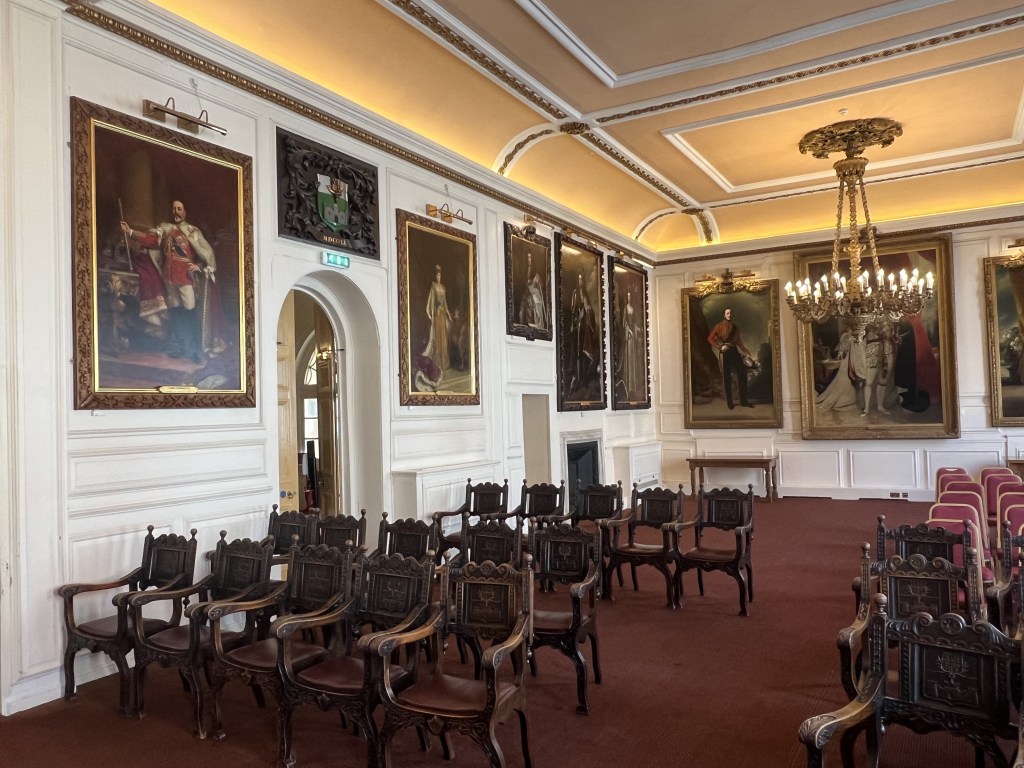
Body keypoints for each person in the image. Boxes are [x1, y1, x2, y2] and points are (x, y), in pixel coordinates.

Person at [121, 200, 216, 363]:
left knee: (189, 312)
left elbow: (205, 254)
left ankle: (194, 350)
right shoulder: (165, 230)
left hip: (186, 278)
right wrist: (131, 232)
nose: (176, 211)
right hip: (169, 279)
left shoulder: (193, 231)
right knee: (176, 313)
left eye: (179, 208)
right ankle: (178, 347)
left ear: (185, 212)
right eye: (173, 208)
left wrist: (198, 265)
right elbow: (150, 239)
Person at [706, 307, 753, 409]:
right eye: (727, 313)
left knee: (742, 372)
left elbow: (739, 343)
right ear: (724, 315)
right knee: (726, 377)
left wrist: (747, 353)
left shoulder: (735, 328)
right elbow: (710, 339)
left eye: (730, 313)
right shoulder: (718, 326)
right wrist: (719, 347)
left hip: (734, 351)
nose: (729, 315)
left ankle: (744, 401)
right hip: (724, 353)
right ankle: (730, 403)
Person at [569, 271, 597, 391]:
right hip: (578, 329)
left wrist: (588, 310)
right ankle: (578, 378)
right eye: (578, 279)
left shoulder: (585, 296)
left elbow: (591, 312)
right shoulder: (575, 294)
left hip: (585, 330)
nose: (580, 282)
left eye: (582, 280)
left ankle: (584, 379)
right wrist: (574, 323)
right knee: (578, 354)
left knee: (585, 356)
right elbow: (572, 312)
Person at [422, 264, 452, 376]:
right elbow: (431, 301)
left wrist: (449, 315)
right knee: (438, 338)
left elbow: (445, 303)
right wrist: (431, 314)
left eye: (439, 275)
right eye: (437, 275)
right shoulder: (433, 286)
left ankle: (444, 363)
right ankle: (437, 363)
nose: (438, 277)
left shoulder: (443, 287)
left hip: (443, 314)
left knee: (443, 338)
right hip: (437, 315)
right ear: (435, 276)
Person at [518, 252, 549, 331]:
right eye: (528, 258)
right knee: (521, 311)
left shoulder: (535, 272)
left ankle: (538, 326)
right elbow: (522, 282)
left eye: (530, 258)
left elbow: (540, 285)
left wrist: (536, 281)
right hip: (526, 293)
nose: (529, 260)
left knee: (536, 306)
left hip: (534, 293)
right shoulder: (523, 271)